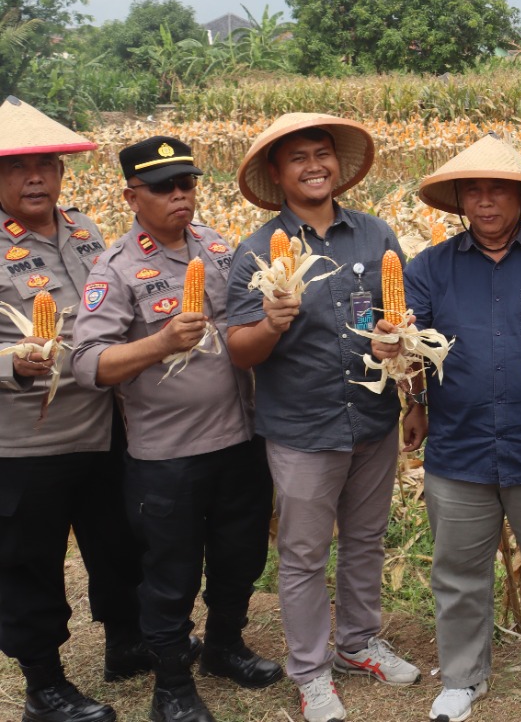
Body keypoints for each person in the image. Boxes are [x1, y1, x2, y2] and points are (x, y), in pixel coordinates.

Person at [372, 135, 521, 721]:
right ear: (458, 201)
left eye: (497, 189)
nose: (484, 202)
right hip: (460, 446)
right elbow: (410, 349)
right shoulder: (428, 268)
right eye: (472, 191)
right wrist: (401, 375)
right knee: (457, 572)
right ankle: (462, 676)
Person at [71, 136, 280, 722]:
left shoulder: (217, 248)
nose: (179, 195)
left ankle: (223, 646)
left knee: (240, 559)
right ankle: (171, 684)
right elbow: (88, 363)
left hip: (240, 439)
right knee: (172, 573)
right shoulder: (115, 268)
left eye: (186, 183)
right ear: (131, 196)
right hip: (167, 458)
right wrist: (159, 342)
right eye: (163, 187)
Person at [225, 113, 420, 722]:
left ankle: (358, 642)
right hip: (302, 428)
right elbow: (238, 348)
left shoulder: (375, 236)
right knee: (305, 554)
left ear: (338, 164)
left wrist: (412, 393)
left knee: (365, 539)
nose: (314, 166)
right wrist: (271, 324)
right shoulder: (257, 252)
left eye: (322, 154)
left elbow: (402, 324)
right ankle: (309, 672)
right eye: (299, 158)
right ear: (277, 174)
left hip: (372, 418)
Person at [0, 96, 144, 722]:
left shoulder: (86, 230)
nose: (36, 177)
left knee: (118, 544)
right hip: (25, 447)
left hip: (103, 427)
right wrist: (11, 363)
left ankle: (127, 642)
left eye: (47, 165)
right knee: (29, 564)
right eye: (17, 167)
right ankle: (44, 685)